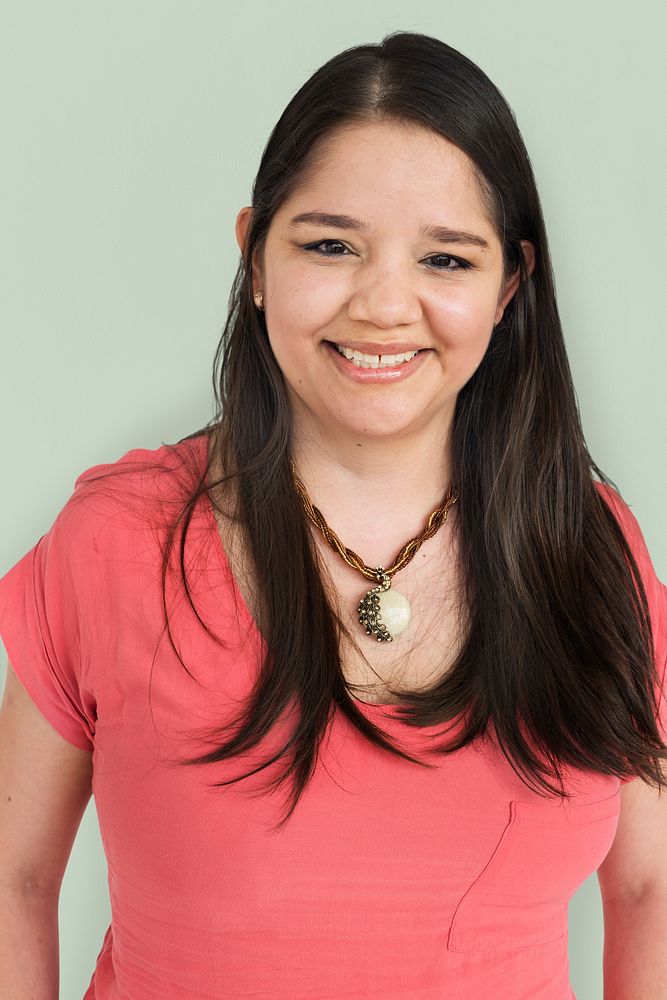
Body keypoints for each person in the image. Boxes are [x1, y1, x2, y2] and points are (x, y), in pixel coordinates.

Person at [0, 29, 665, 1000]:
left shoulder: (588, 543)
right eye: (329, 244)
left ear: (509, 287)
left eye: (446, 259)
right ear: (254, 259)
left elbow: (645, 886)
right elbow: (15, 875)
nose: (385, 304)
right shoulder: (116, 540)